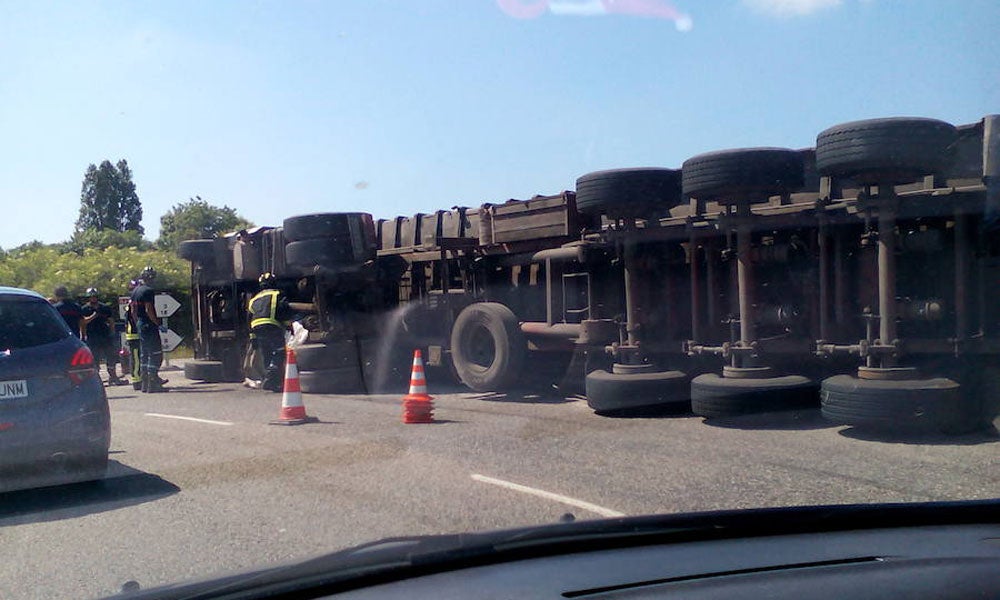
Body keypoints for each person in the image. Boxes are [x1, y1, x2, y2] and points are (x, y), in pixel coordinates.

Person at [247, 272, 293, 392]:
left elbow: (249, 319)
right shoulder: (278, 294)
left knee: (266, 353)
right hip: (272, 325)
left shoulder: (254, 299)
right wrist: (289, 326)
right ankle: (272, 373)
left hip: (257, 328)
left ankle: (272, 382)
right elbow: (283, 311)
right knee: (279, 352)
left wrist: (253, 338)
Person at [130, 266, 168, 393]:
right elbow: (149, 310)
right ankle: (153, 382)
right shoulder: (148, 291)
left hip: (140, 324)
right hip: (148, 324)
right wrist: (157, 323)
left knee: (144, 354)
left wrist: (137, 324)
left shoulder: (135, 291)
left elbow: (133, 311)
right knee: (155, 353)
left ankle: (145, 383)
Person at [81, 287, 125, 386]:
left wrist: (112, 332)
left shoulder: (104, 307)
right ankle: (96, 380)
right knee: (95, 359)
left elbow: (111, 321)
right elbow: (83, 322)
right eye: (91, 297)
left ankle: (113, 377)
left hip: (105, 335)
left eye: (95, 296)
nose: (93, 298)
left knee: (110, 357)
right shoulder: (84, 309)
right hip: (92, 336)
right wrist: (93, 316)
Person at [124, 279, 143, 390]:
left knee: (139, 357)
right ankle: (136, 380)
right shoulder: (132, 302)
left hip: (135, 332)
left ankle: (140, 378)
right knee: (136, 358)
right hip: (134, 333)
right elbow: (133, 315)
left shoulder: (132, 300)